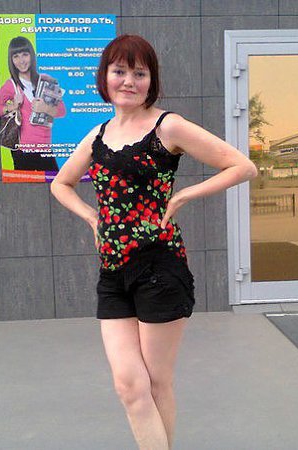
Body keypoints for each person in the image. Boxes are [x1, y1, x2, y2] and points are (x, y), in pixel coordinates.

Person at [50, 34, 257, 449]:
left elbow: (242, 166)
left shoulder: (168, 126)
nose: (129, 81)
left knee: (157, 382)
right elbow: (61, 183)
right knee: (129, 385)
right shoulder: (98, 136)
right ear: (104, 77)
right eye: (119, 71)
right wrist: (91, 216)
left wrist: (183, 195)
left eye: (139, 73)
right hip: (113, 272)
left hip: (159, 269)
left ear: (151, 80)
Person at [0, 36, 67, 171]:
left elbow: (62, 110)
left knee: (55, 181)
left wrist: (45, 108)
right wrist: (12, 106)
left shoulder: (46, 80)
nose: (21, 60)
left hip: (44, 147)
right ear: (11, 60)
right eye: (16, 56)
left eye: (25, 54)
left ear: (31, 55)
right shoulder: (11, 84)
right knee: (25, 184)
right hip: (22, 150)